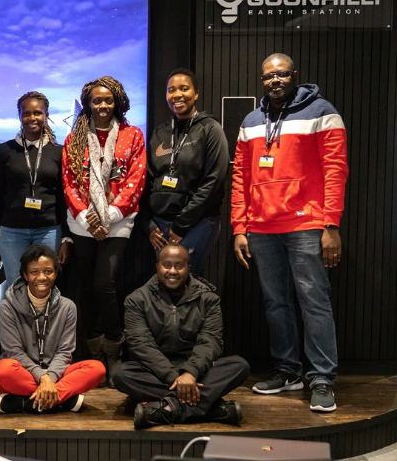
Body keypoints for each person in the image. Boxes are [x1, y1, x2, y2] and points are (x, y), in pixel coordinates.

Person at [232, 53, 348, 412]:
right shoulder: (252, 120)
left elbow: (335, 170)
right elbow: (240, 176)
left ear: (294, 75)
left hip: (307, 225)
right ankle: (287, 370)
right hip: (262, 228)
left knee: (314, 301)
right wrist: (239, 227)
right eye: (268, 76)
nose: (275, 80)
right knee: (276, 303)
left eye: (281, 74)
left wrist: (331, 225)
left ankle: (322, 378)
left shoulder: (322, 112)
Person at [62, 76, 146, 387]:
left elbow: (135, 181)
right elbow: (69, 183)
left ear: (118, 102)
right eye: (96, 101)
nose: (102, 105)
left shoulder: (132, 135)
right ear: (88, 104)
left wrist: (108, 217)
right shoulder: (75, 139)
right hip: (82, 222)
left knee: (105, 284)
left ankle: (114, 348)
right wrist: (88, 219)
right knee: (85, 287)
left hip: (118, 221)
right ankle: (95, 354)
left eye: (107, 100)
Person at [113, 245, 250, 428]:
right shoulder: (137, 299)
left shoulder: (208, 299)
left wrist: (190, 373)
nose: (172, 271)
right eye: (166, 265)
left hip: (197, 370)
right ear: (157, 266)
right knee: (121, 374)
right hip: (156, 372)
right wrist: (174, 378)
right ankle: (208, 409)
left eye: (179, 266)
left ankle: (168, 409)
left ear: (188, 268)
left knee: (239, 366)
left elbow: (211, 341)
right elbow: (141, 345)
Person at [0, 245, 105, 413]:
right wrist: (42, 377)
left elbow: (65, 352)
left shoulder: (68, 307)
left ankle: (26, 403)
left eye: (48, 271)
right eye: (34, 272)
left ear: (56, 273)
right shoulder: (7, 307)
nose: (41, 277)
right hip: (24, 372)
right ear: (25, 275)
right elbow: (14, 352)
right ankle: (61, 400)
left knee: (97, 369)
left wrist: (49, 378)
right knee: (2, 369)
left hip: (57, 373)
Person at [141, 69, 229, 276]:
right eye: (171, 90)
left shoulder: (210, 129)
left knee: (185, 280)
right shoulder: (160, 132)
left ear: (196, 93)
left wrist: (181, 226)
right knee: (166, 282)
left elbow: (214, 182)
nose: (177, 95)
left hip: (197, 223)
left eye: (184, 89)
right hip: (160, 225)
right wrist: (148, 224)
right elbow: (147, 179)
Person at [0, 91, 71, 292]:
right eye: (26, 113)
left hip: (49, 230)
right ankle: (18, 325)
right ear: (19, 116)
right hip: (12, 232)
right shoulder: (3, 151)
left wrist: (66, 238)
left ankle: (44, 325)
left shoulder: (59, 151)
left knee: (45, 288)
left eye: (37, 113)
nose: (32, 118)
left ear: (46, 115)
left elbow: (63, 197)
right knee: (16, 288)